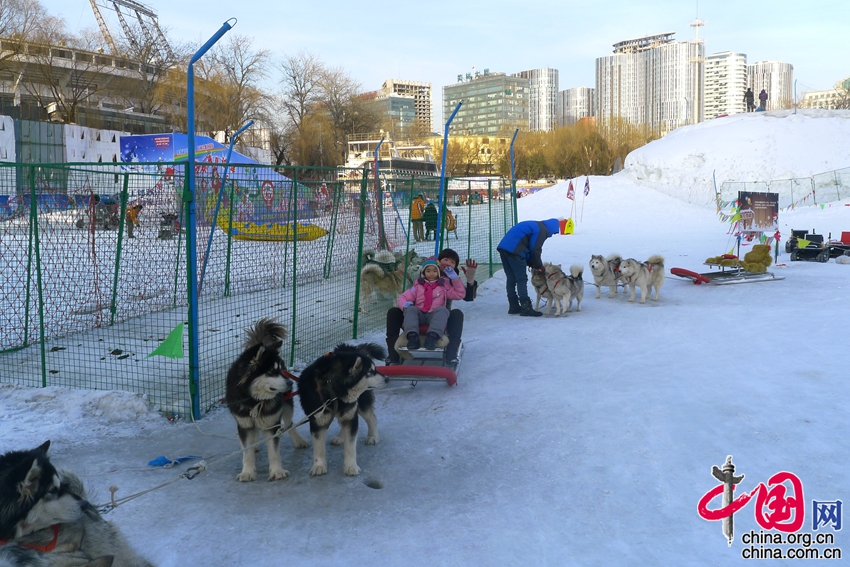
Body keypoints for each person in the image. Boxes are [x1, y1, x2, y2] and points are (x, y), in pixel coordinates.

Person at [385, 248, 478, 367]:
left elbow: (464, 295)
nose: (448, 264)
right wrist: (406, 306)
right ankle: (394, 354)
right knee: (394, 312)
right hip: (417, 314)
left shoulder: (450, 280)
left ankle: (450, 354)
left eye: (452, 262)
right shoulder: (424, 276)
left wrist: (469, 280)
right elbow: (407, 295)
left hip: (439, 315)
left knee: (456, 314)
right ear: (438, 262)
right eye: (445, 260)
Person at [396, 257, 467, 350]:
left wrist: (455, 279)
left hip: (434, 315)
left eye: (434, 271)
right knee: (411, 309)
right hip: (420, 315)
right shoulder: (418, 286)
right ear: (423, 273)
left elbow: (460, 294)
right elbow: (403, 297)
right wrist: (405, 304)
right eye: (428, 271)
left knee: (442, 310)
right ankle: (412, 337)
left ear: (438, 272)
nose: (432, 274)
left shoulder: (444, 286)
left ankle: (432, 337)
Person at [497, 218, 562, 317]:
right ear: (552, 228)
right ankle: (525, 307)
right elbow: (535, 248)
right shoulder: (542, 230)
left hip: (503, 248)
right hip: (515, 250)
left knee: (511, 278)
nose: (552, 235)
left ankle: (513, 305)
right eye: (554, 232)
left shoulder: (536, 225)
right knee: (521, 279)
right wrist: (539, 266)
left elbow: (529, 245)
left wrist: (531, 262)